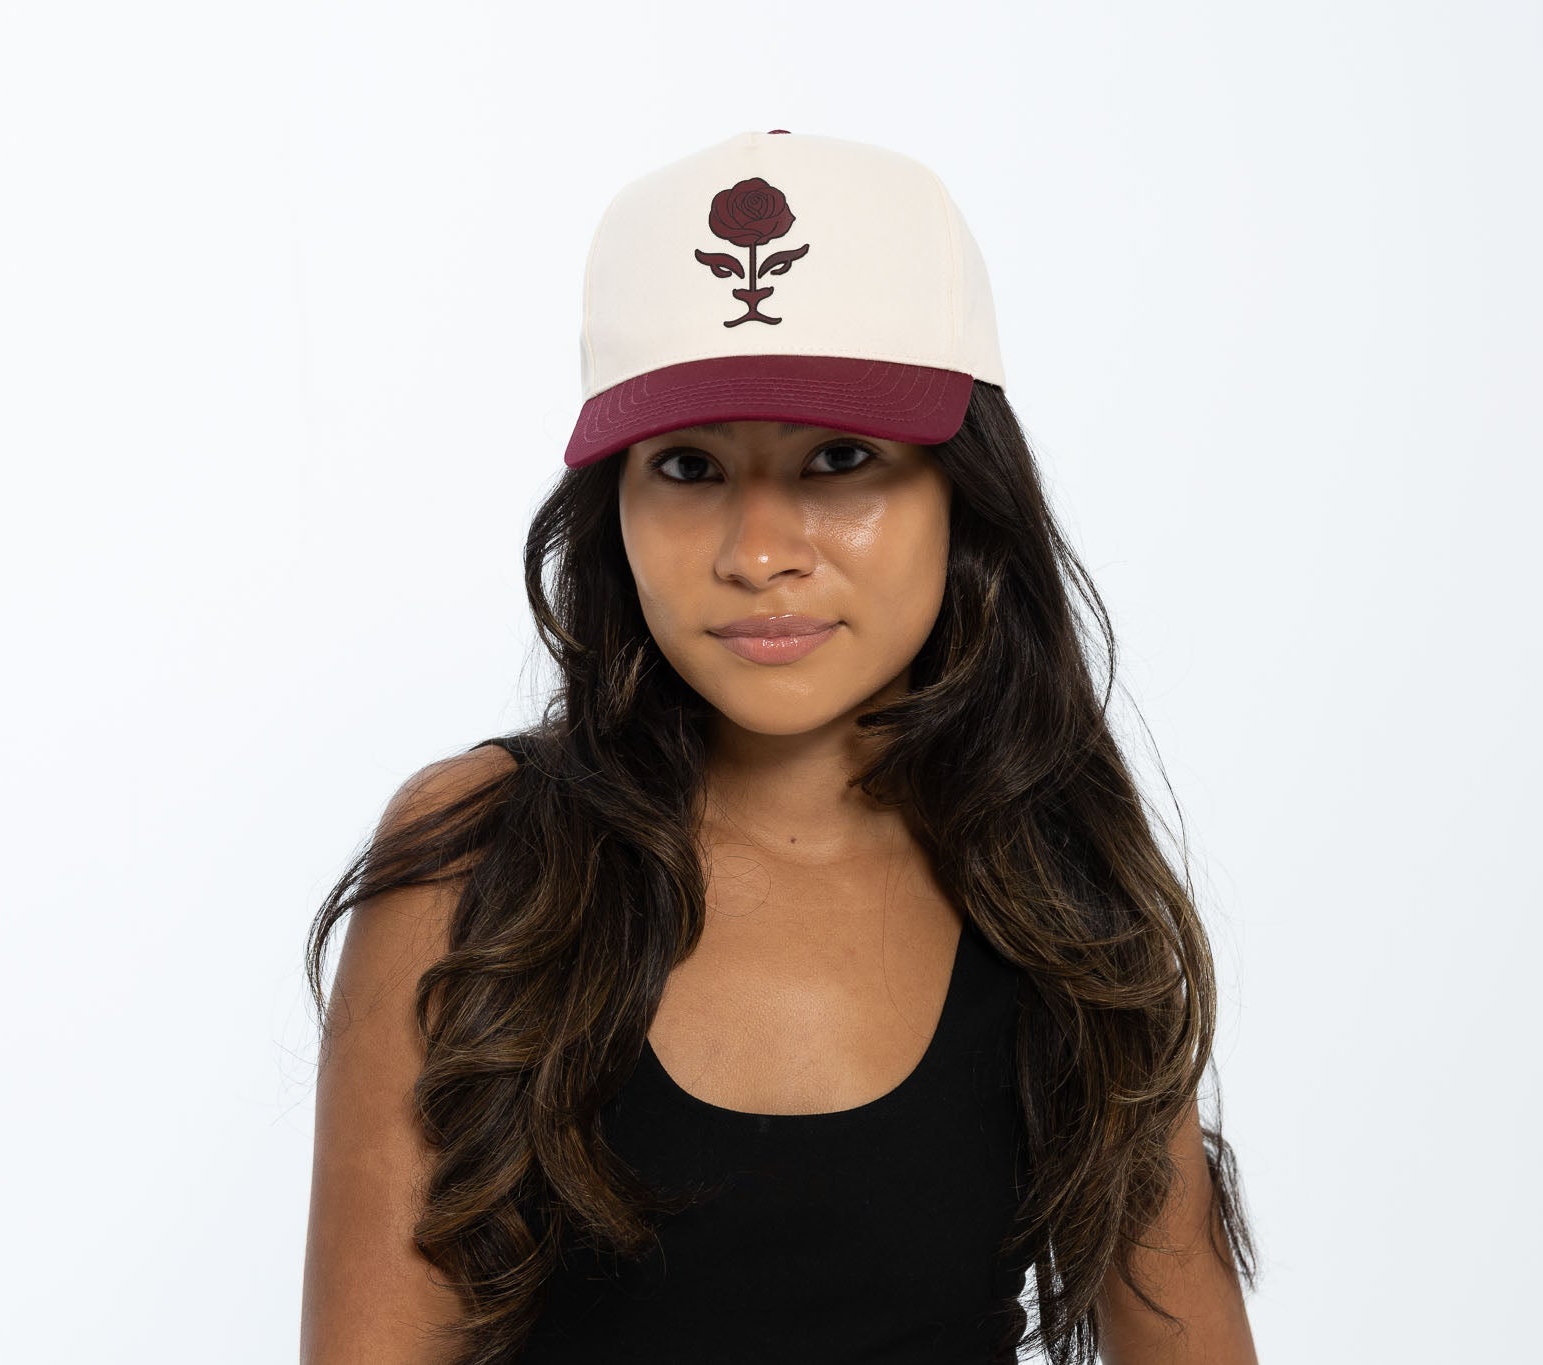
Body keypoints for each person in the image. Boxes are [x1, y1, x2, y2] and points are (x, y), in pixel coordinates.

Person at [300, 129, 1261, 1364]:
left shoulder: (1063, 894)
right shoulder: (480, 867)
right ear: (613, 511)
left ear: (965, 494)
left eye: (839, 459)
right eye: (689, 467)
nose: (759, 552)